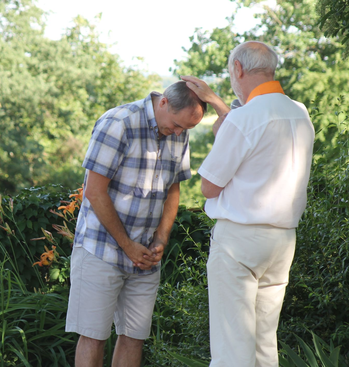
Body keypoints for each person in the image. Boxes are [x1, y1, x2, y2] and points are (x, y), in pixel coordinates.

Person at [182, 41, 315, 366]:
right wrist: (216, 102)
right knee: (263, 347)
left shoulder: (245, 118)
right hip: (282, 240)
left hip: (240, 240)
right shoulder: (299, 112)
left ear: (238, 69)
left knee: (232, 351)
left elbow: (209, 186)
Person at [65, 81, 207, 367]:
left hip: (145, 257)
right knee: (93, 336)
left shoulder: (179, 131)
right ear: (164, 103)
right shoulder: (118, 122)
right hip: (100, 249)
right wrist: (128, 245)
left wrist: (161, 239)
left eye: (186, 130)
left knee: (134, 336)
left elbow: (173, 190)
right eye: (177, 125)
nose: (180, 133)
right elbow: (94, 191)